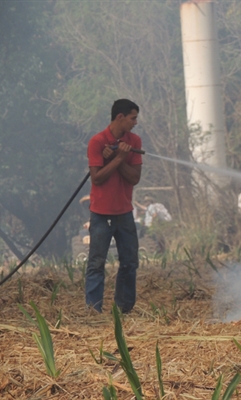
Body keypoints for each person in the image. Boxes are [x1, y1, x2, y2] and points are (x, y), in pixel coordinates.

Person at [85, 99, 142, 313]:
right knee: (96, 263)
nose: (135, 122)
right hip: (101, 214)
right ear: (120, 117)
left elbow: (135, 178)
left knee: (130, 262)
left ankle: (123, 309)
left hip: (125, 213)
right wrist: (119, 158)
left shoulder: (134, 141)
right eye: (133, 118)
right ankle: (93, 310)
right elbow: (97, 178)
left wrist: (119, 158)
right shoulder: (97, 142)